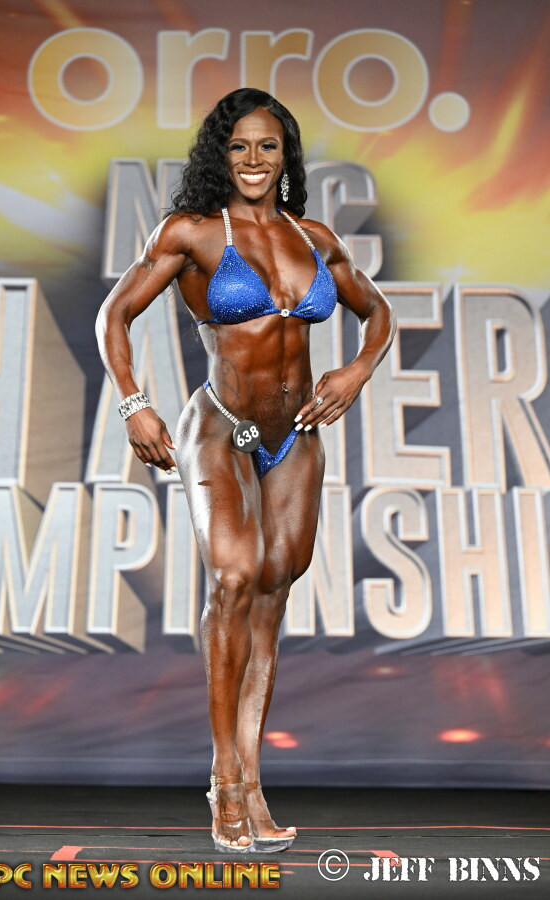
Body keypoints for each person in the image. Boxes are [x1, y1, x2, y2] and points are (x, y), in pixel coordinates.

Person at [96, 88, 396, 853]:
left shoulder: (312, 236)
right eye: (239, 146)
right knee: (232, 580)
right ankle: (223, 779)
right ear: (220, 156)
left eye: (267, 146)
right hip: (222, 429)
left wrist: (356, 371)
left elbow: (376, 311)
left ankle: (254, 784)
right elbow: (115, 315)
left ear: (285, 154)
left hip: (294, 438)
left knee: (269, 599)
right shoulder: (193, 232)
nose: (254, 160)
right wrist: (133, 403)